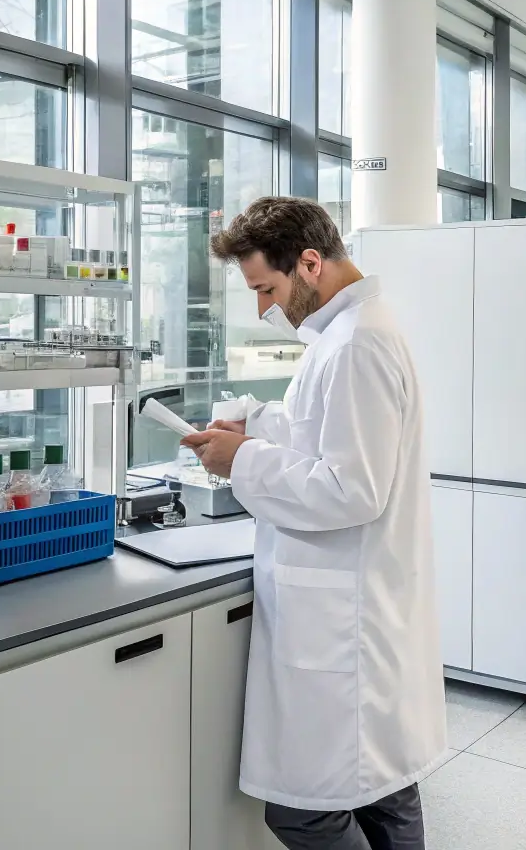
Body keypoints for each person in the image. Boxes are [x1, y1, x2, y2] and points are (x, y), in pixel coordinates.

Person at [180, 196, 446, 850]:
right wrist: (261, 430)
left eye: (265, 289)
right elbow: (332, 437)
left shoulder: (358, 343)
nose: (263, 309)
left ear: (308, 262)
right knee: (384, 791)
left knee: (305, 811)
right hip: (356, 606)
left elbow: (352, 489)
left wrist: (242, 460)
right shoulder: (349, 334)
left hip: (342, 621)